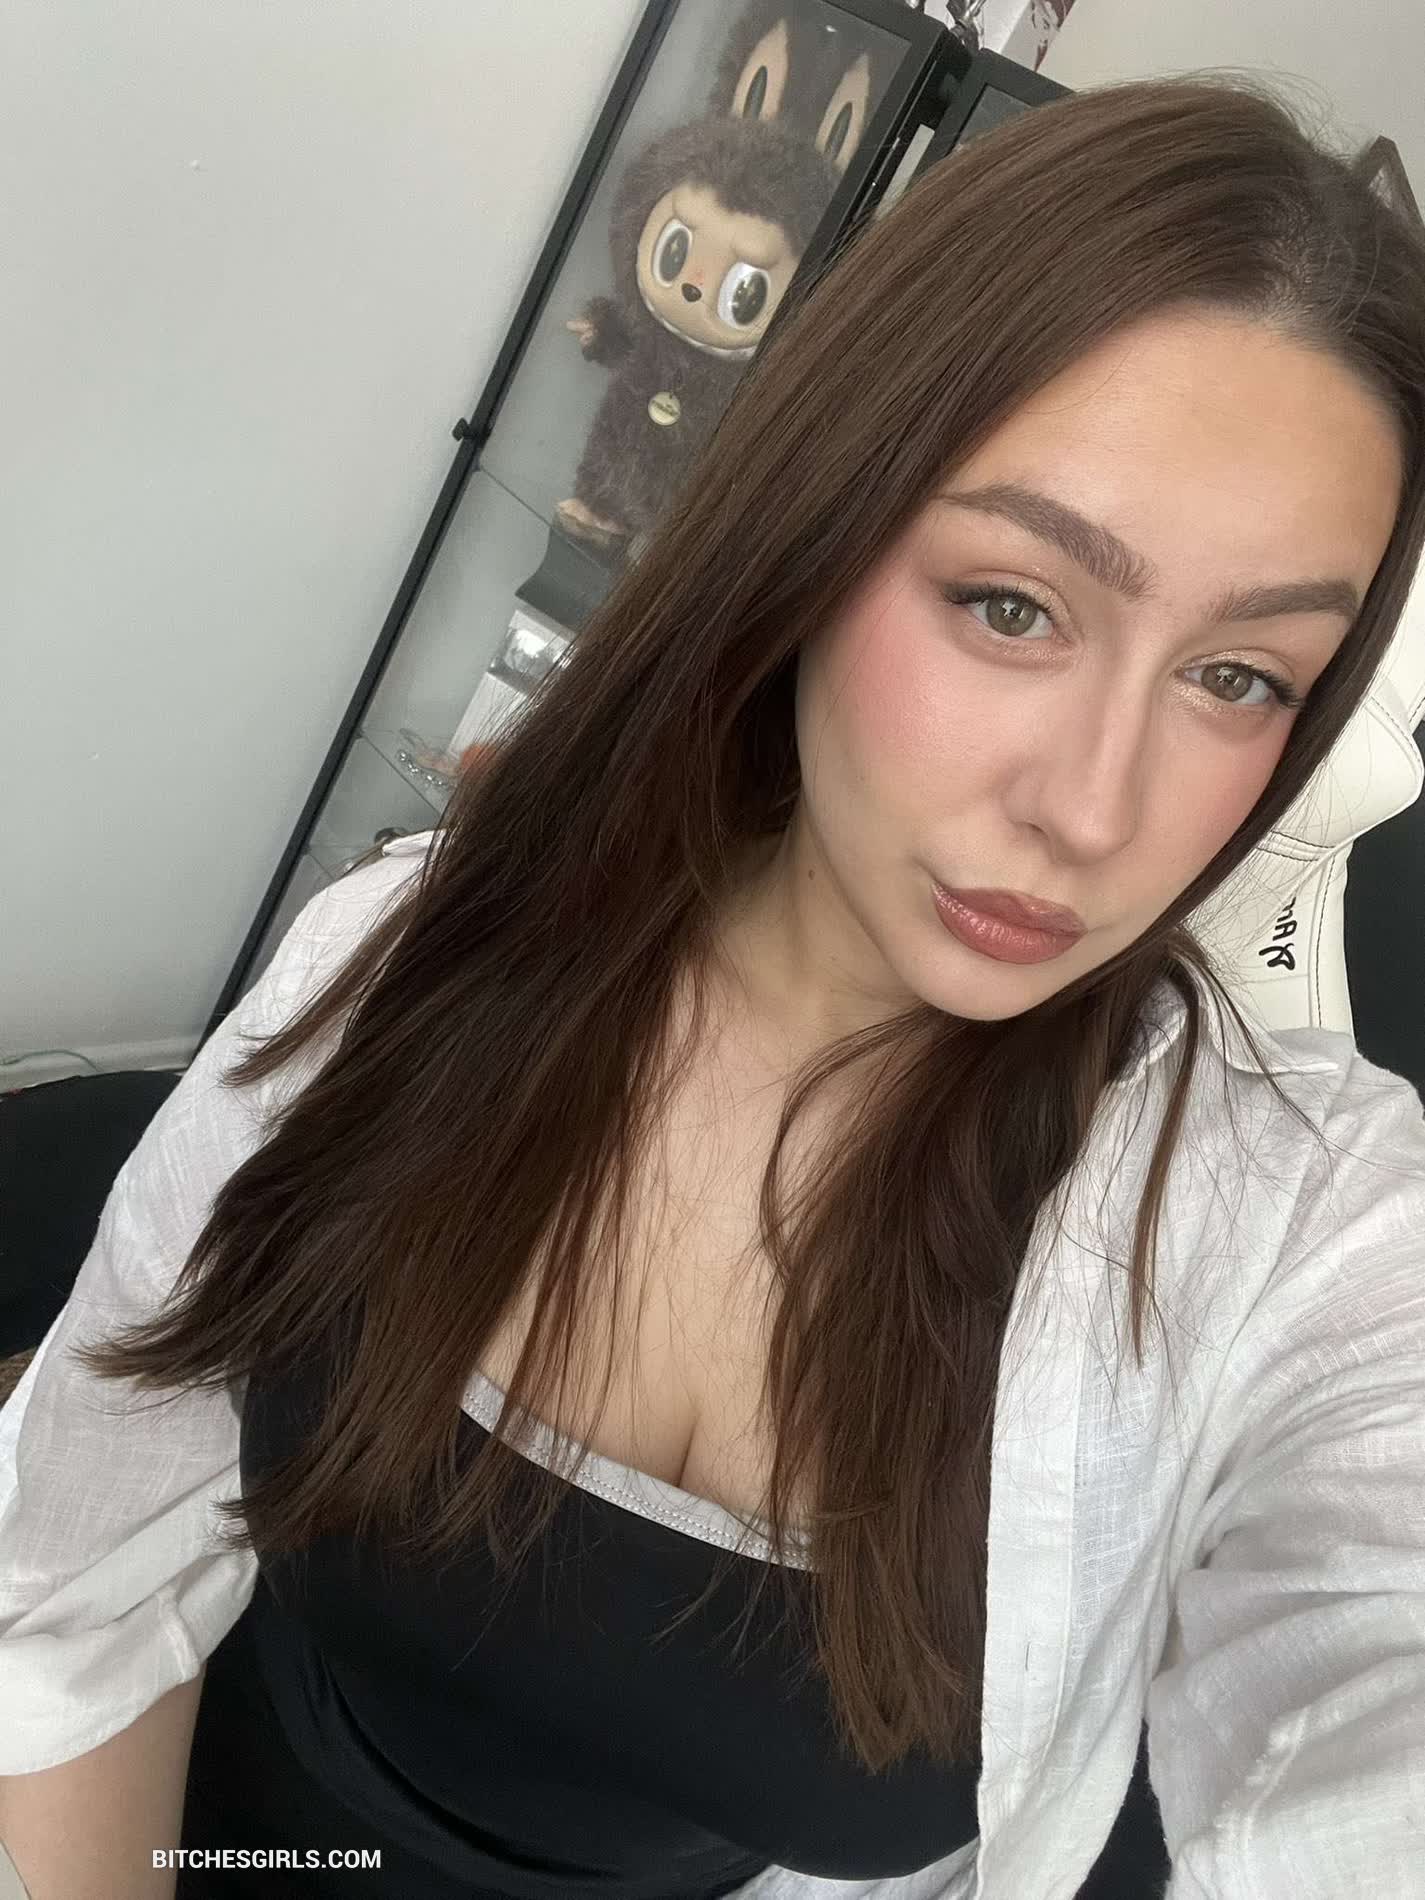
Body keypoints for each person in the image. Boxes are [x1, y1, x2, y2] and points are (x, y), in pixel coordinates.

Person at [3, 67, 1424, 1900]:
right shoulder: (406, 953)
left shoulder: (1291, 1232)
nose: (1090, 812)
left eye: (1238, 679)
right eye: (1009, 605)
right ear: (814, 537)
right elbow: (72, 1578)